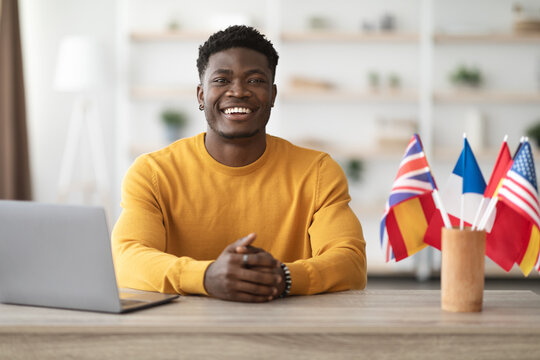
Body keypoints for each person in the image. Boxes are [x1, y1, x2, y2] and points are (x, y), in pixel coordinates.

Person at [112, 25, 366, 303]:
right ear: (200, 95)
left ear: (272, 95)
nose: (239, 91)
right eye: (221, 80)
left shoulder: (317, 172)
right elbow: (127, 258)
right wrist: (207, 276)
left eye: (255, 81)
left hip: (290, 330)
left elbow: (350, 262)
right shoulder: (152, 173)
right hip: (183, 330)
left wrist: (283, 277)